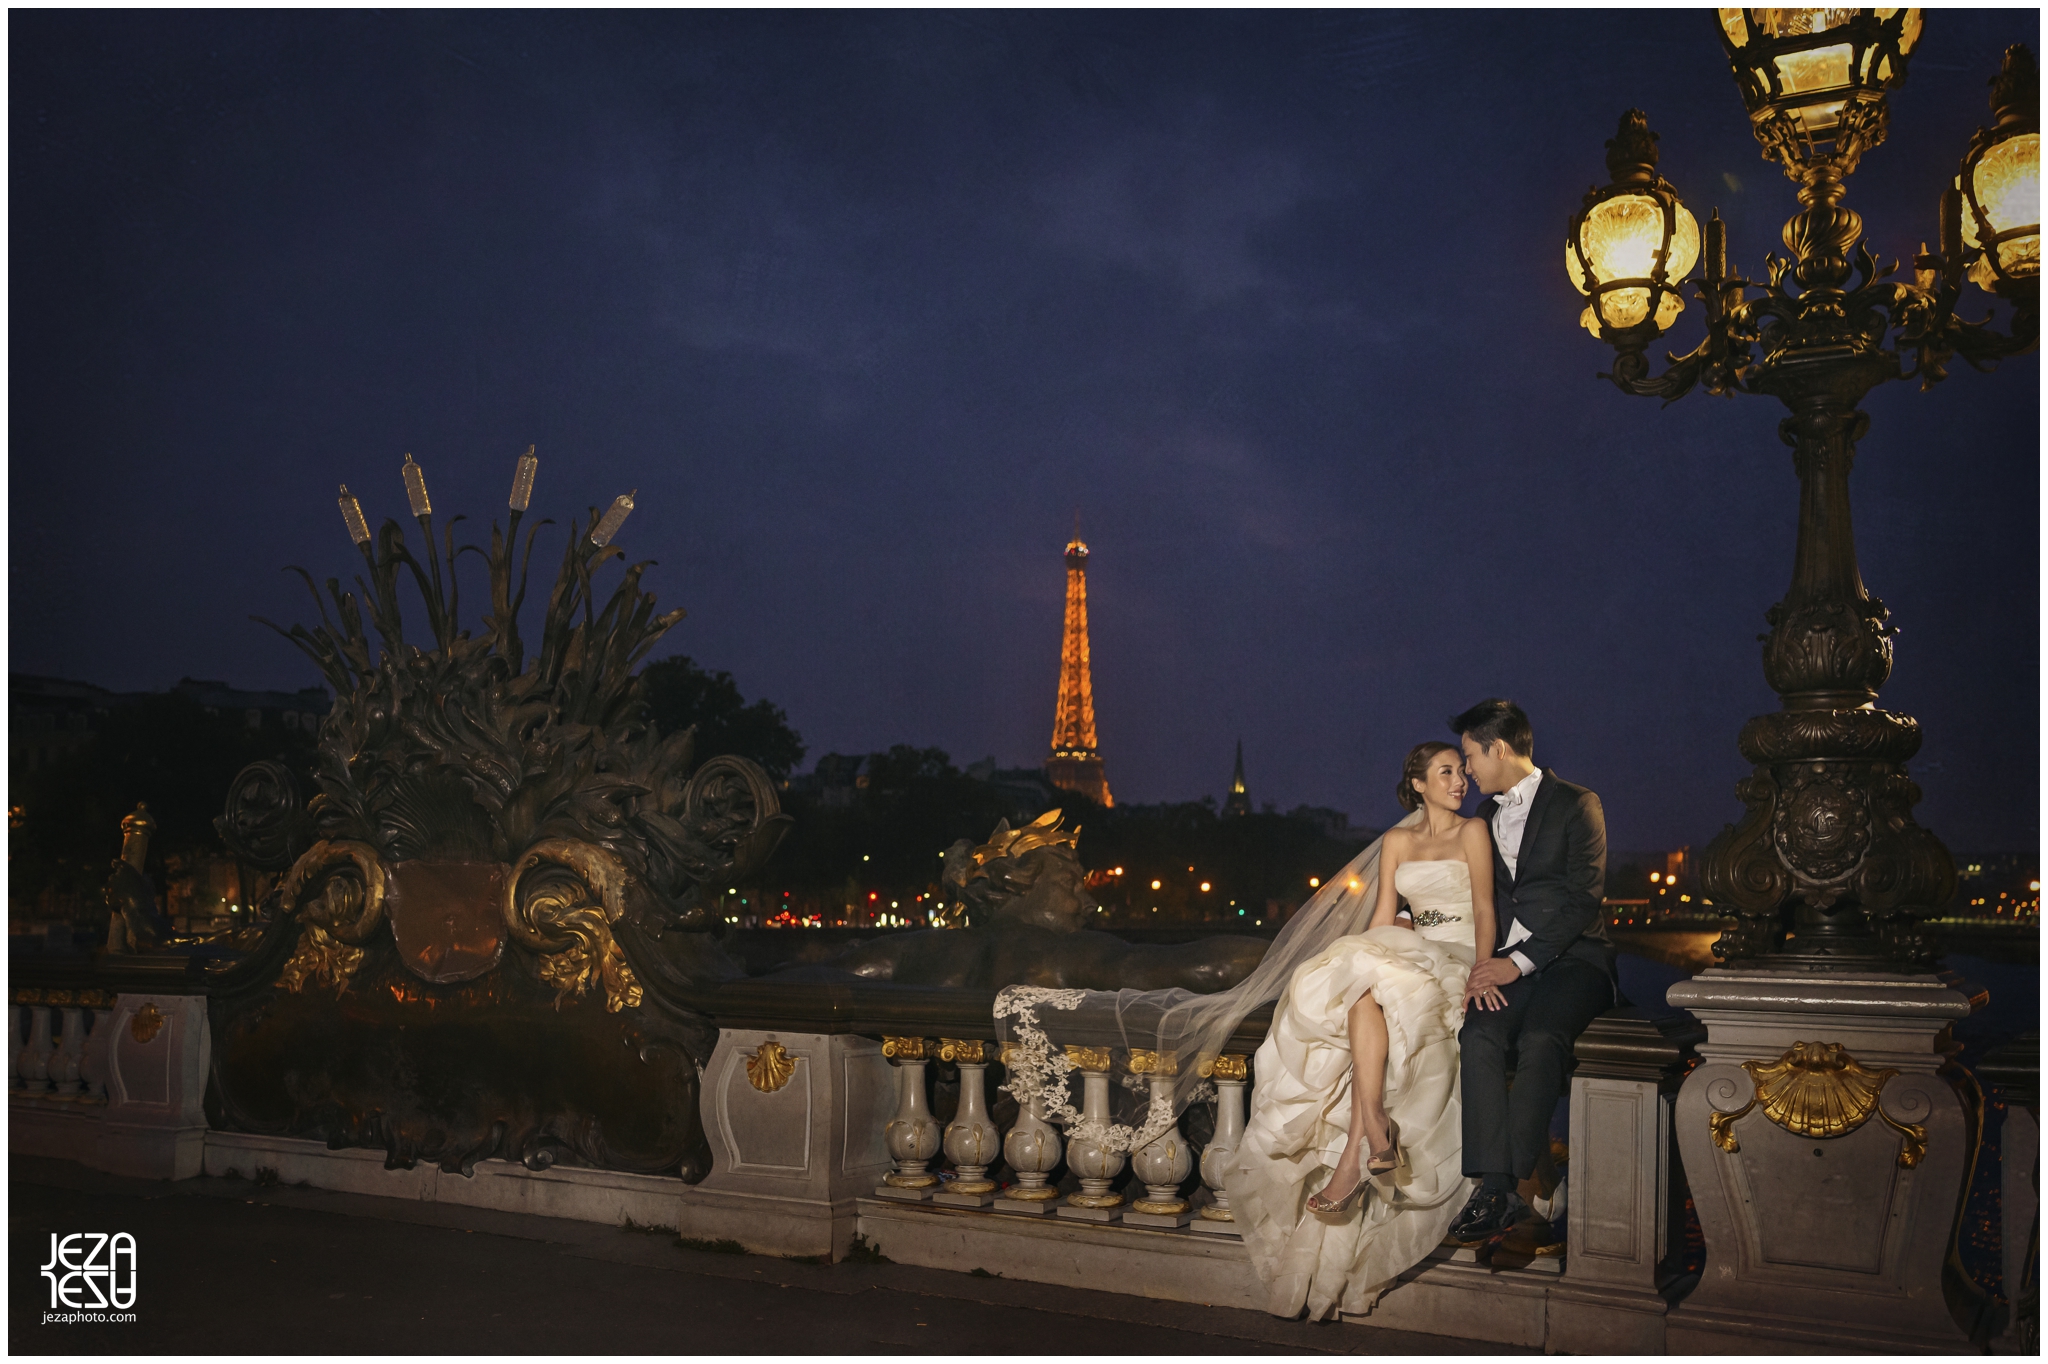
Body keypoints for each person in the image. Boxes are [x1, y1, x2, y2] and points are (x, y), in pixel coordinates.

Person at [1225, 741, 1507, 1321]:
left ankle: (1358, 1153)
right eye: (1447, 772)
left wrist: (1481, 971)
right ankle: (1373, 1128)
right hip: (1410, 949)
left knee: (1377, 988)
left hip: (1454, 956)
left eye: (1461, 771)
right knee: (1359, 987)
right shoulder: (1399, 841)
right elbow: (1384, 916)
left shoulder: (1473, 831)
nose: (1461, 781)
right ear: (1419, 784)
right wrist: (1363, 954)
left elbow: (1484, 909)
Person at [1443, 698, 1615, 1245]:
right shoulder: (1484, 818)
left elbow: (1582, 901)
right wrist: (1407, 912)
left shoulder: (1577, 803)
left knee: (1542, 1039)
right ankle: (1496, 1190)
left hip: (1575, 961)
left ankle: (1506, 1185)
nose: (1467, 769)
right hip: (1509, 965)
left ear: (1498, 748)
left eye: (1470, 756)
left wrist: (1514, 964)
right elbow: (1463, 888)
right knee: (1480, 1035)